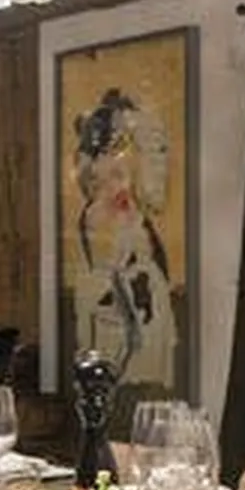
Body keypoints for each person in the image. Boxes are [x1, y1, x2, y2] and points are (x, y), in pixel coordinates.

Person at [69, 86, 179, 392]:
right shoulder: (102, 216)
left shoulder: (130, 213)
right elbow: (106, 291)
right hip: (121, 335)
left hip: (144, 324)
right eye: (151, 149)